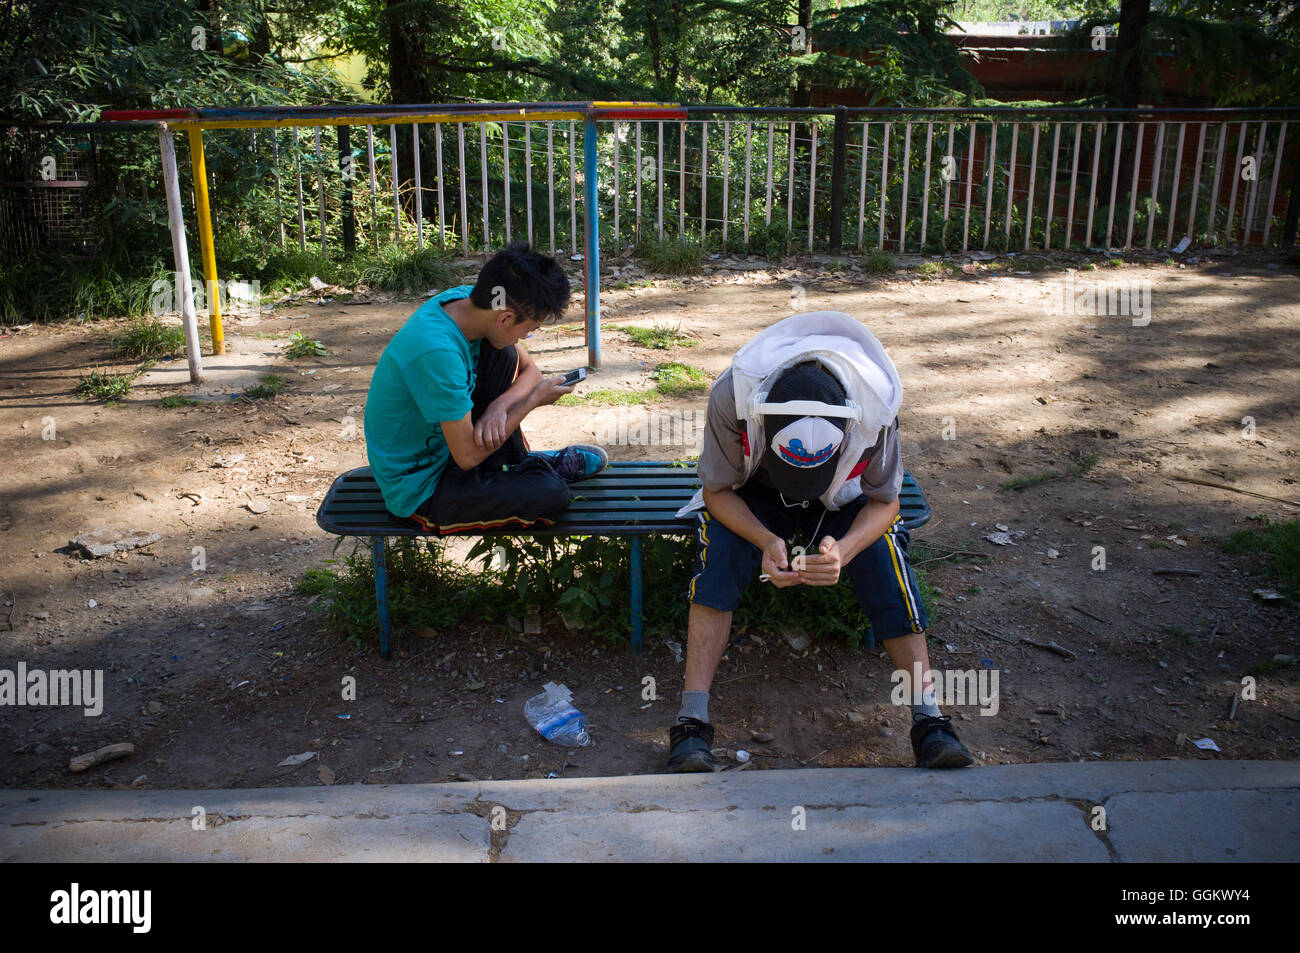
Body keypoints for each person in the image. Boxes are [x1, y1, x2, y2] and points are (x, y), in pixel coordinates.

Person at [666, 310, 973, 773]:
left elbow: (885, 501)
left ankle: (931, 721)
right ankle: (691, 723)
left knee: (884, 554)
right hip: (756, 490)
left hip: (843, 493)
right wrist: (765, 539)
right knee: (720, 554)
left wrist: (844, 550)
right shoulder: (734, 394)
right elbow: (717, 491)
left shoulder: (877, 402)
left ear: (848, 430)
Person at [364, 242, 607, 533]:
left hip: (452, 447)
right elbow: (467, 457)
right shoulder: (438, 353)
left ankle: (517, 466)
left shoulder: (474, 302)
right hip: (421, 486)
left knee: (504, 352)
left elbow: (531, 372)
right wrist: (531, 401)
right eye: (529, 329)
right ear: (505, 318)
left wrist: (499, 407)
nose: (526, 336)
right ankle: (526, 469)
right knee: (552, 497)